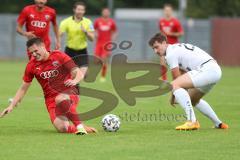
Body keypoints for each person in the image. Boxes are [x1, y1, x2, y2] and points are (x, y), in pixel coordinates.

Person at [0, 38, 97, 135]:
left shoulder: (58, 56)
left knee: (60, 98)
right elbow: (23, 88)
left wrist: (74, 81)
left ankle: (80, 127)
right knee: (62, 128)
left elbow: (77, 72)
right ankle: (84, 127)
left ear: (43, 46)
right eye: (31, 53)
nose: (33, 54)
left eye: (35, 51)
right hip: (50, 99)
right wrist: (11, 105)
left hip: (69, 92)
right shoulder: (31, 65)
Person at [148, 33, 228, 130]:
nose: (156, 51)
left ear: (164, 43)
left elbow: (176, 80)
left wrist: (172, 97)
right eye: (153, 49)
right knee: (193, 99)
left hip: (207, 70)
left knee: (175, 85)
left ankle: (192, 121)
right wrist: (176, 94)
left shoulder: (170, 54)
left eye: (157, 47)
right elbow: (182, 76)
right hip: (213, 70)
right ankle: (219, 124)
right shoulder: (175, 49)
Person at [59, 1, 94, 76]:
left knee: (82, 74)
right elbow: (59, 34)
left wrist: (86, 32)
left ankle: (75, 83)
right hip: (69, 51)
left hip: (82, 51)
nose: (80, 11)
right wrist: (58, 43)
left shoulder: (88, 22)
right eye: (78, 9)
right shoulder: (66, 22)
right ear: (74, 10)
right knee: (70, 74)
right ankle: (73, 85)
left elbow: (92, 39)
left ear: (84, 11)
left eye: (82, 10)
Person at [158, 4, 184, 80]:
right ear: (164, 11)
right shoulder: (161, 21)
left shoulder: (175, 22)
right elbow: (161, 31)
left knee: (174, 67)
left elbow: (181, 33)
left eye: (169, 10)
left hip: (173, 47)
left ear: (171, 11)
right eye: (166, 10)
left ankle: (176, 82)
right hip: (164, 47)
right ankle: (164, 81)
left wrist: (171, 34)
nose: (167, 12)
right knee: (162, 64)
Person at [94, 8, 118, 82]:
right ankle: (102, 67)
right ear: (102, 13)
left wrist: (113, 38)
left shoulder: (111, 22)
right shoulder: (98, 21)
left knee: (104, 59)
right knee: (96, 60)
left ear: (109, 13)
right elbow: (93, 29)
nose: (106, 13)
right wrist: (95, 33)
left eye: (107, 12)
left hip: (107, 44)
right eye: (104, 12)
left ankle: (103, 76)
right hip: (98, 43)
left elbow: (115, 31)